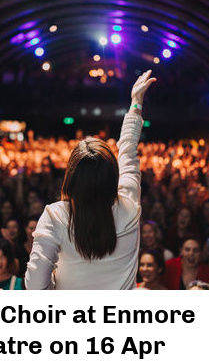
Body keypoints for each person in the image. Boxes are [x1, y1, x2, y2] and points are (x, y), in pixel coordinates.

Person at [25, 70, 157, 289]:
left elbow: (35, 287)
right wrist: (135, 104)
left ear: (71, 177)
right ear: (112, 177)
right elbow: (128, 155)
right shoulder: (129, 206)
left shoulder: (56, 215)